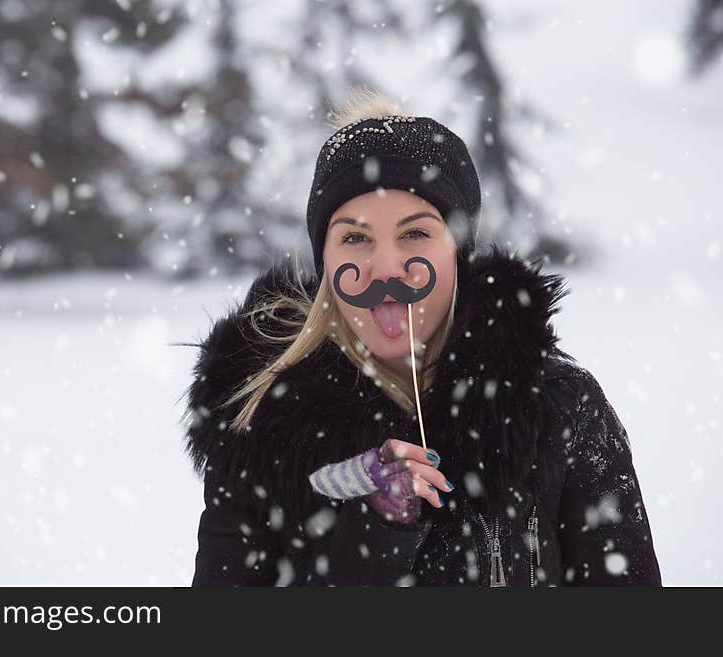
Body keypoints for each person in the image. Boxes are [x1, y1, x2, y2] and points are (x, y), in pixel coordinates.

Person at [181, 88, 662, 586]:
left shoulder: (561, 410)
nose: (386, 267)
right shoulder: (261, 429)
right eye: (355, 237)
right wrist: (371, 540)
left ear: (458, 251)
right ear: (324, 260)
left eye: (415, 234)